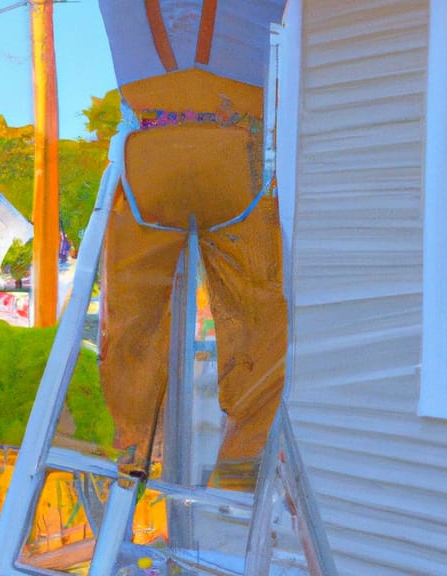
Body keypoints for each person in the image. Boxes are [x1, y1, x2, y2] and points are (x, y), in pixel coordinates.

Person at [97, 0, 288, 490]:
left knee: (133, 313)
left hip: (151, 155)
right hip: (235, 147)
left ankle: (133, 447)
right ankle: (240, 464)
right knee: (255, 314)